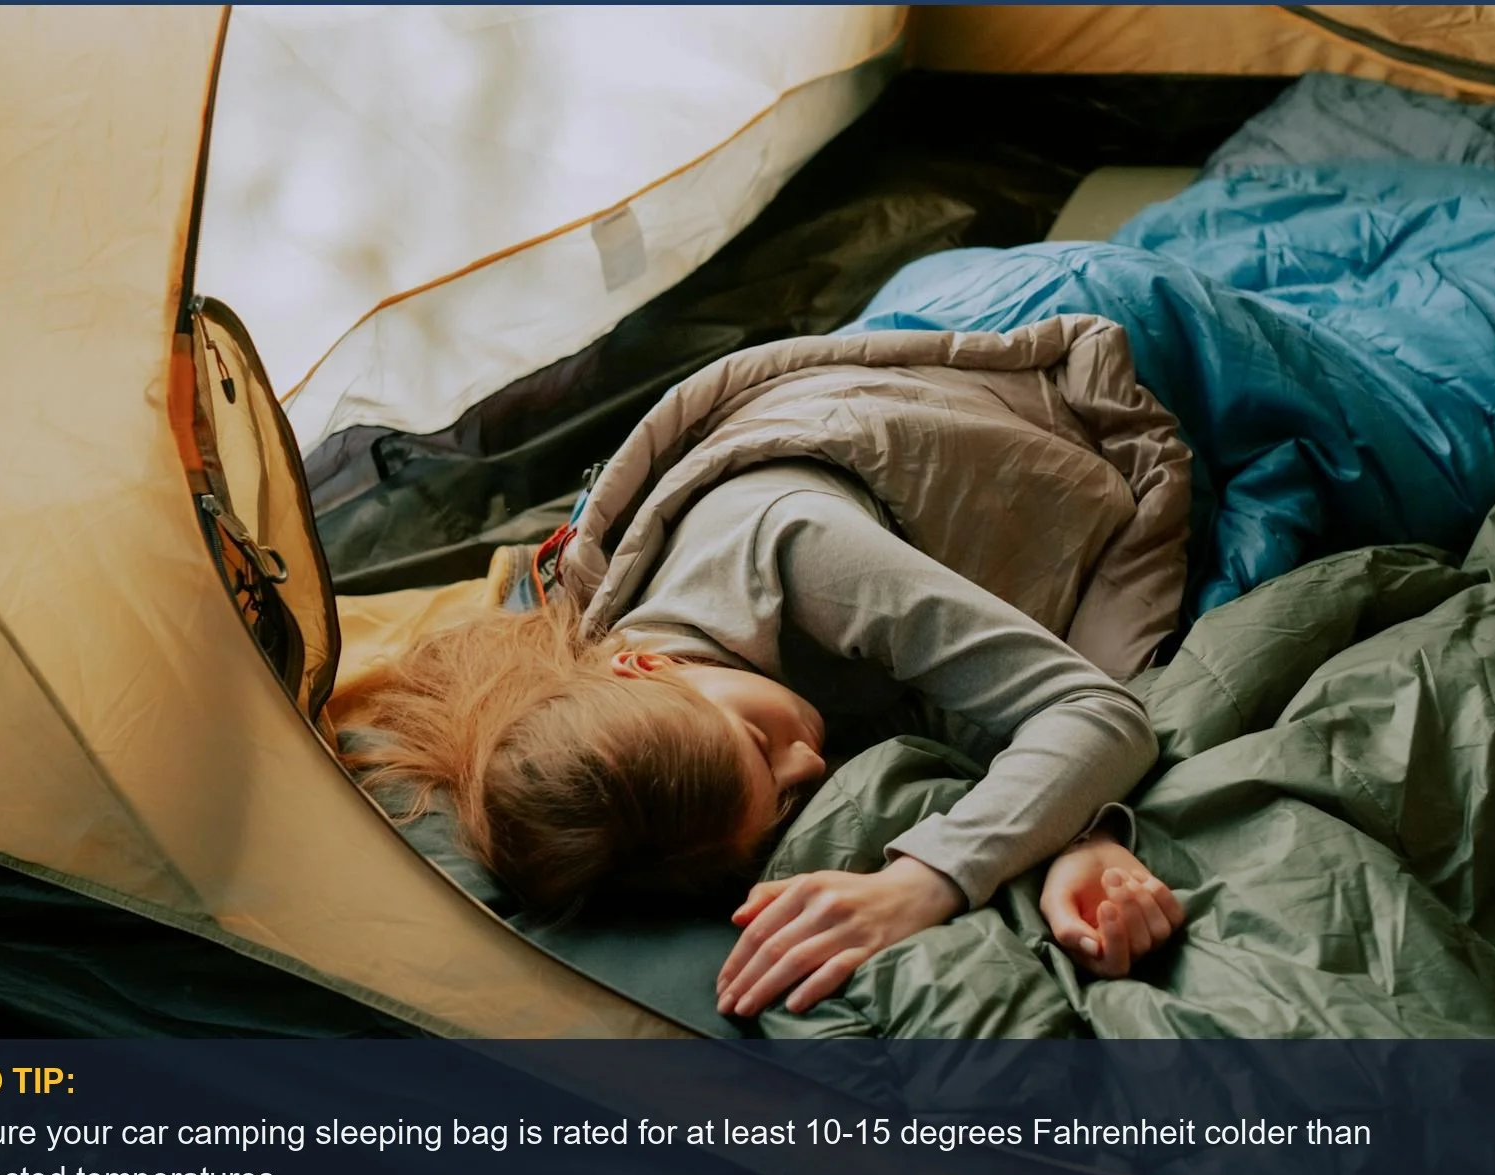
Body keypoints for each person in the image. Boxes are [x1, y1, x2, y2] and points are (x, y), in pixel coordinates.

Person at [336, 320, 1189, 1020]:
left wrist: (924, 879)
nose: (808, 764)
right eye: (783, 798)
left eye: (760, 740)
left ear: (639, 665)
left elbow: (1091, 705)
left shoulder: (794, 548)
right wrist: (1075, 836)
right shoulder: (677, 746)